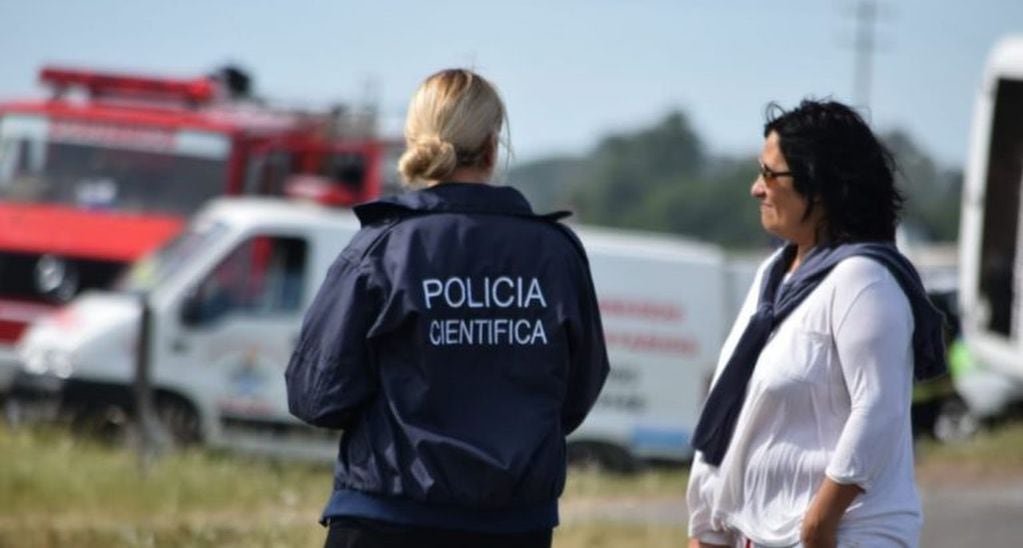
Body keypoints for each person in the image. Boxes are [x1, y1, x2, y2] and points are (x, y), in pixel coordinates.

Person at [285, 68, 610, 548]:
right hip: (514, 528)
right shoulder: (556, 254)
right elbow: (578, 391)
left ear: (414, 141)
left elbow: (315, 394)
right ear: (494, 146)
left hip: (386, 520)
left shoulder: (383, 248)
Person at [685, 99, 947, 548]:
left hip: (845, 536)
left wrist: (818, 525)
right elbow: (739, 408)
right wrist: (708, 523)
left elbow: (877, 408)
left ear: (820, 186)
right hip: (763, 535)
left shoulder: (864, 279)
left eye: (771, 174)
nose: (756, 189)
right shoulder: (774, 277)